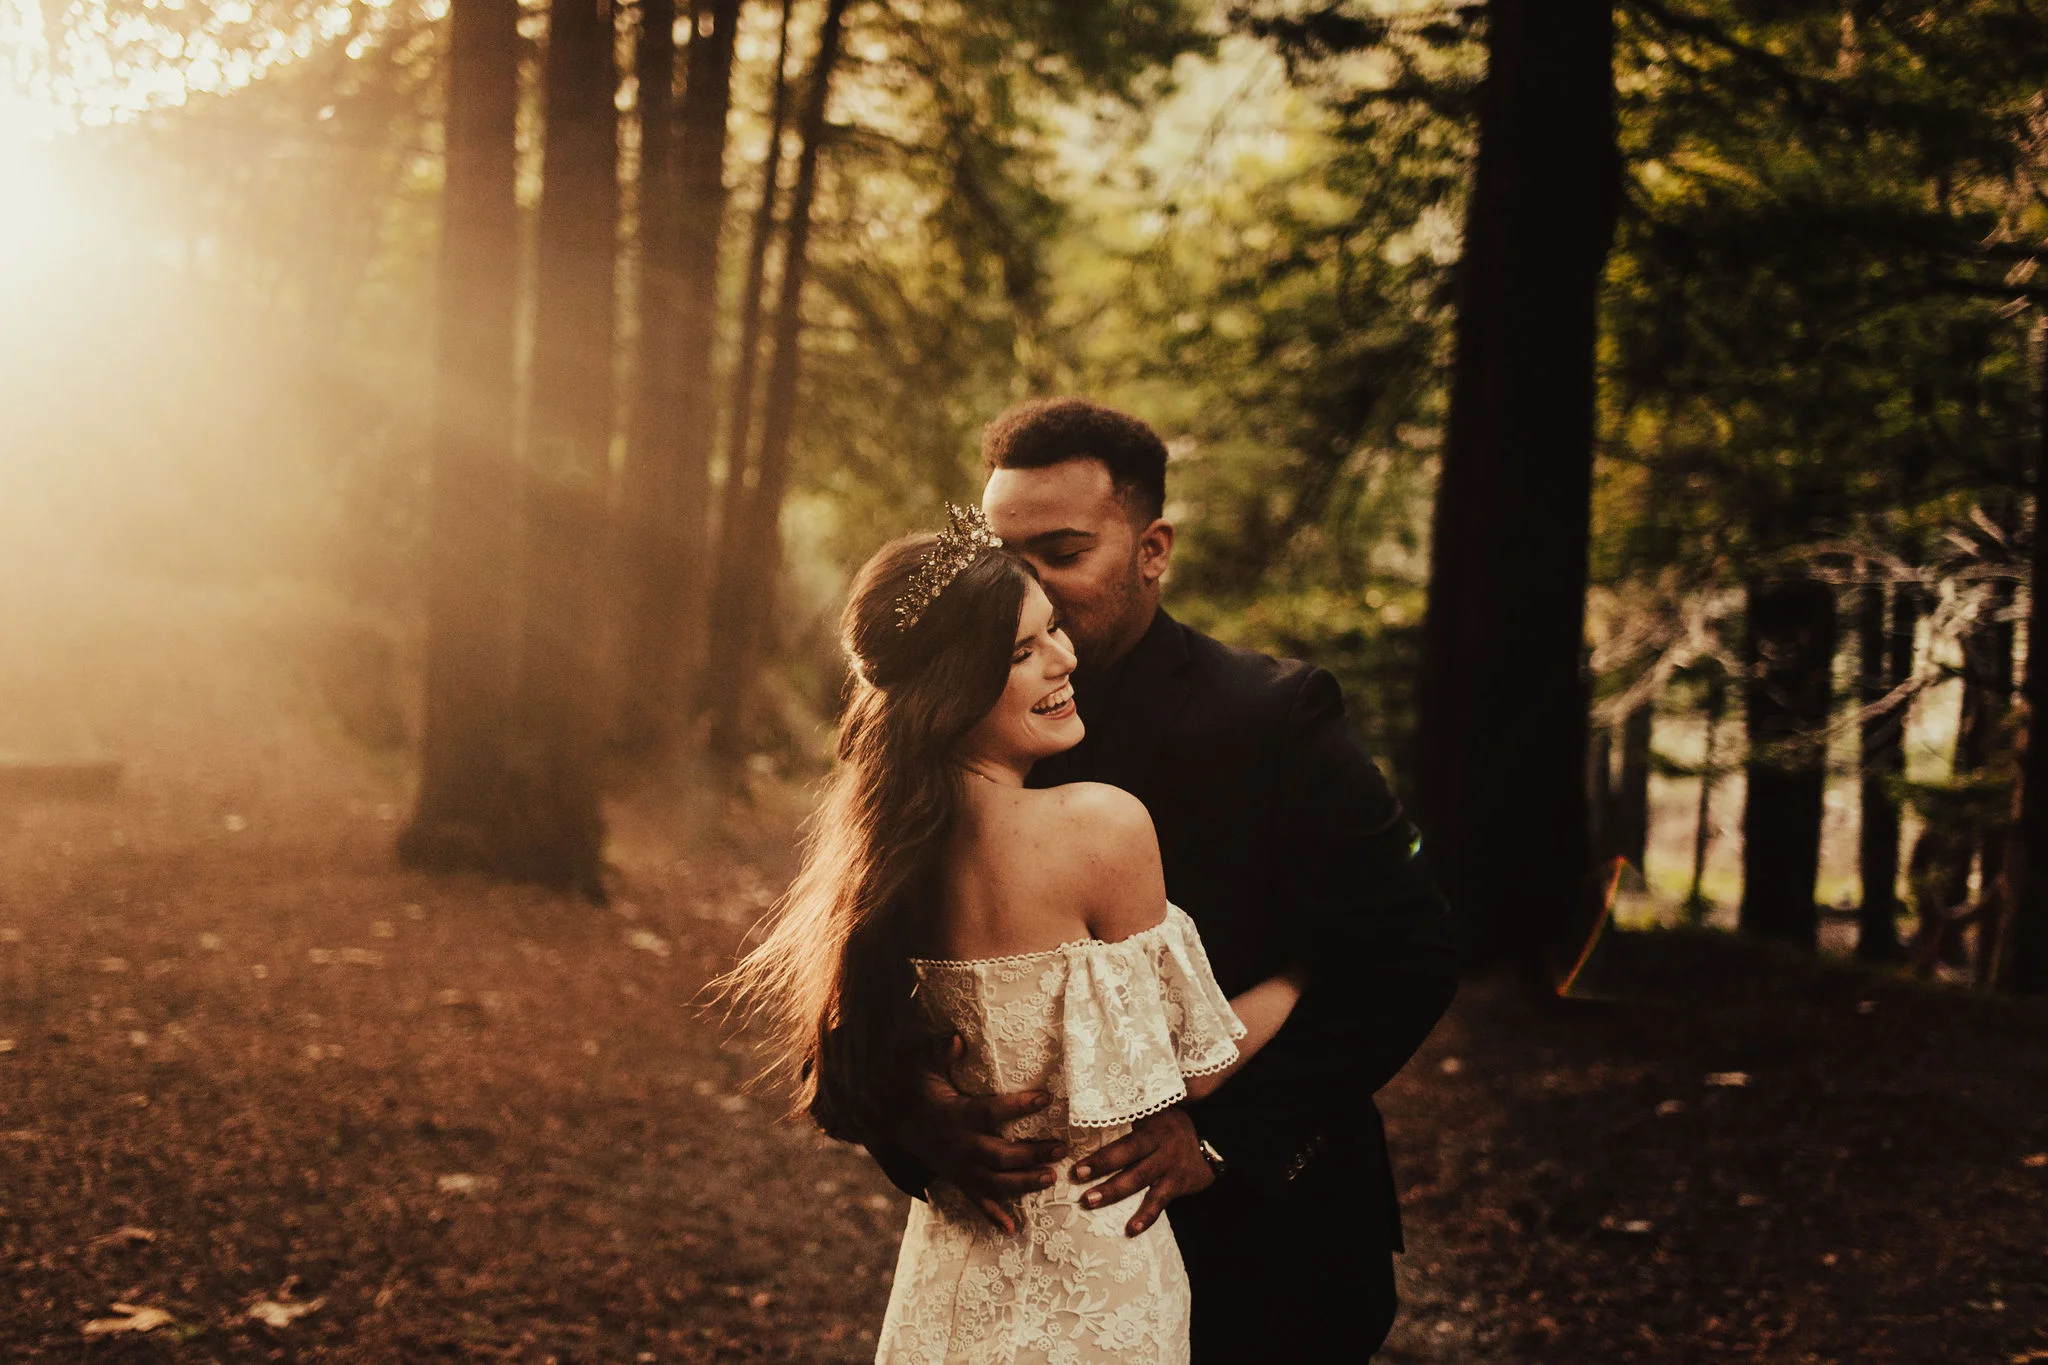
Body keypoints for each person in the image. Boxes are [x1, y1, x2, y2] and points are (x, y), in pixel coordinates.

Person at [868, 398, 1461, 1358]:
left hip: (1268, 1250)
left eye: (1060, 552)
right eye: (1004, 556)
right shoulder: (929, 757)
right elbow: (858, 993)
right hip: (1012, 1263)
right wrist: (914, 1119)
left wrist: (1224, 1141)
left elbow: (1413, 952)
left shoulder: (1275, 718)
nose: (1027, 589)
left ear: (1152, 549)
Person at [722, 504, 1306, 1362]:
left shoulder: (883, 861)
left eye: (1054, 630)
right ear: (955, 683)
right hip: (1101, 1280)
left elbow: (852, 1058)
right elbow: (1196, 1064)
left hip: (949, 1278)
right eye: (1021, 651)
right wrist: (1300, 975)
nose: (1064, 659)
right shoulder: (1100, 826)